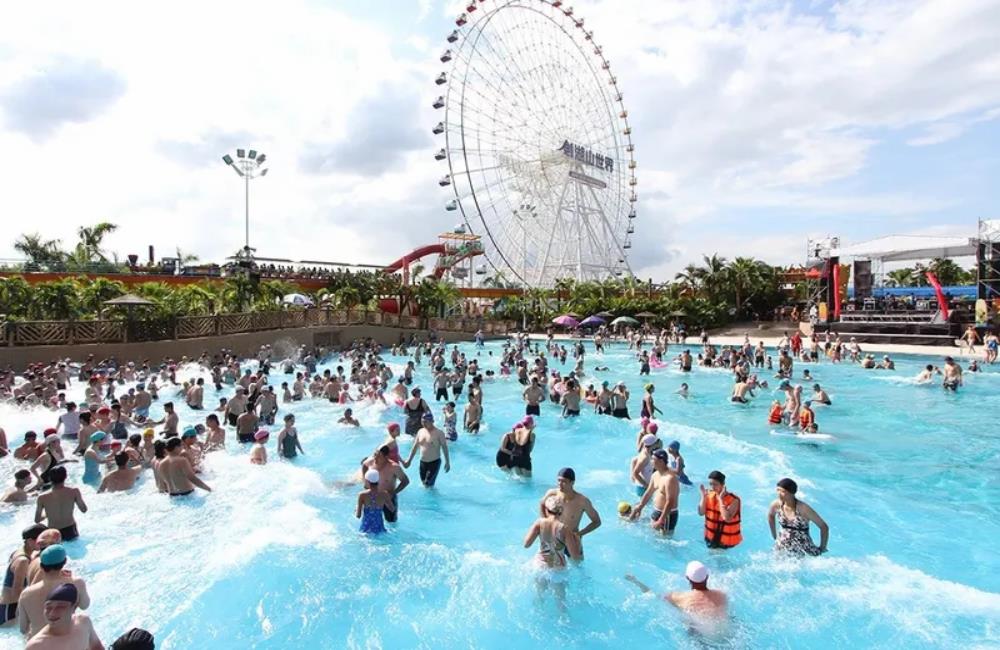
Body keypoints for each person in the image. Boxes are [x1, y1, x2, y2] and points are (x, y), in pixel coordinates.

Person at [17, 544, 90, 639]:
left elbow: (23, 628)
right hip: (66, 641)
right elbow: (85, 605)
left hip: (38, 643)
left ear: (41, 567)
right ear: (65, 562)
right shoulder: (76, 583)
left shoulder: (26, 594)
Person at [624, 561, 728, 626]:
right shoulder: (722, 595)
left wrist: (636, 582)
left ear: (687, 578)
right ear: (707, 576)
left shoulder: (680, 598)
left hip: (700, 640)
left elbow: (653, 595)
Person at [522, 495, 580, 611]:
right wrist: (576, 540)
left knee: (539, 598)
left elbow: (526, 544)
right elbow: (575, 556)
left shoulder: (539, 523)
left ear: (547, 510)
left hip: (540, 566)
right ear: (561, 511)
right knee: (561, 605)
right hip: (557, 569)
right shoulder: (564, 528)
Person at [537, 468, 600, 560]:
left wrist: (580, 534)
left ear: (572, 482)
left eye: (564, 482)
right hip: (554, 538)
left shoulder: (582, 501)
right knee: (548, 566)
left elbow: (597, 522)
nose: (560, 484)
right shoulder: (552, 494)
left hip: (572, 539)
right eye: (558, 481)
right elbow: (542, 503)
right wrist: (545, 523)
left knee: (578, 567)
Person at [23, 583, 102, 650]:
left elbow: (97, 647)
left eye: (60, 607)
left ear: (74, 607)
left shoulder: (83, 623)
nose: (52, 613)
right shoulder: (36, 646)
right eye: (48, 607)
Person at [767, 477, 829, 556]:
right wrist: (775, 536)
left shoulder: (803, 508)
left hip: (803, 548)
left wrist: (822, 547)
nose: (779, 493)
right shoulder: (776, 504)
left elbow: (824, 527)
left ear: (792, 493)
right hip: (782, 546)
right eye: (778, 490)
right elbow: (770, 515)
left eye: (783, 491)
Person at [1, 524, 46, 626]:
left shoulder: (19, 552)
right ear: (30, 541)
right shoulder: (22, 561)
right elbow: (17, 590)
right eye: (41, 541)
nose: (43, 544)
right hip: (10, 610)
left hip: (7, 606)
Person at [629, 449, 680, 536]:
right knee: (654, 536)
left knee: (665, 540)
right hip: (657, 511)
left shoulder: (670, 478)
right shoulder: (655, 475)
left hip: (668, 515)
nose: (651, 461)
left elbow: (670, 501)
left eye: (653, 459)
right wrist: (640, 507)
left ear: (661, 461)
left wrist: (661, 520)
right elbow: (648, 492)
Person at [34, 467, 87, 542]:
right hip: (70, 529)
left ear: (50, 478)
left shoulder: (42, 497)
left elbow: (37, 520)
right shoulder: (74, 491)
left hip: (53, 532)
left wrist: (47, 514)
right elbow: (84, 509)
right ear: (65, 477)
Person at [403, 413, 451, 487]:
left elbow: (444, 448)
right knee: (424, 484)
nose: (424, 424)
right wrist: (409, 460)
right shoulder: (420, 431)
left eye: (426, 422)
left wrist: (447, 462)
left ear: (432, 421)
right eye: (422, 422)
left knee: (427, 484)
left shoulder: (439, 433)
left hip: (434, 463)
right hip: (423, 463)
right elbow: (415, 447)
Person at [698, 470, 742, 549]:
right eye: (711, 484)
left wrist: (721, 499)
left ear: (723, 484)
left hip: (727, 544)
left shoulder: (734, 500)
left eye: (715, 484)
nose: (712, 487)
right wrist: (703, 497)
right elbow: (701, 512)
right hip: (710, 539)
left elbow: (727, 518)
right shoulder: (709, 496)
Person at [366, 446, 410, 523]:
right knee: (372, 522)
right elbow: (363, 466)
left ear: (386, 457)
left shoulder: (394, 467)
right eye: (375, 455)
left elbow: (405, 481)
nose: (375, 458)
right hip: (374, 497)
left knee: (392, 522)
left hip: (388, 498)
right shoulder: (370, 462)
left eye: (379, 456)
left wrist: (393, 493)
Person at [356, 469, 393, 535]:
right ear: (378, 480)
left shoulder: (362, 495)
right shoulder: (384, 494)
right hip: (379, 527)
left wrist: (357, 508)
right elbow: (392, 509)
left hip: (366, 528)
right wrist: (384, 501)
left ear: (367, 481)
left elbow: (358, 515)